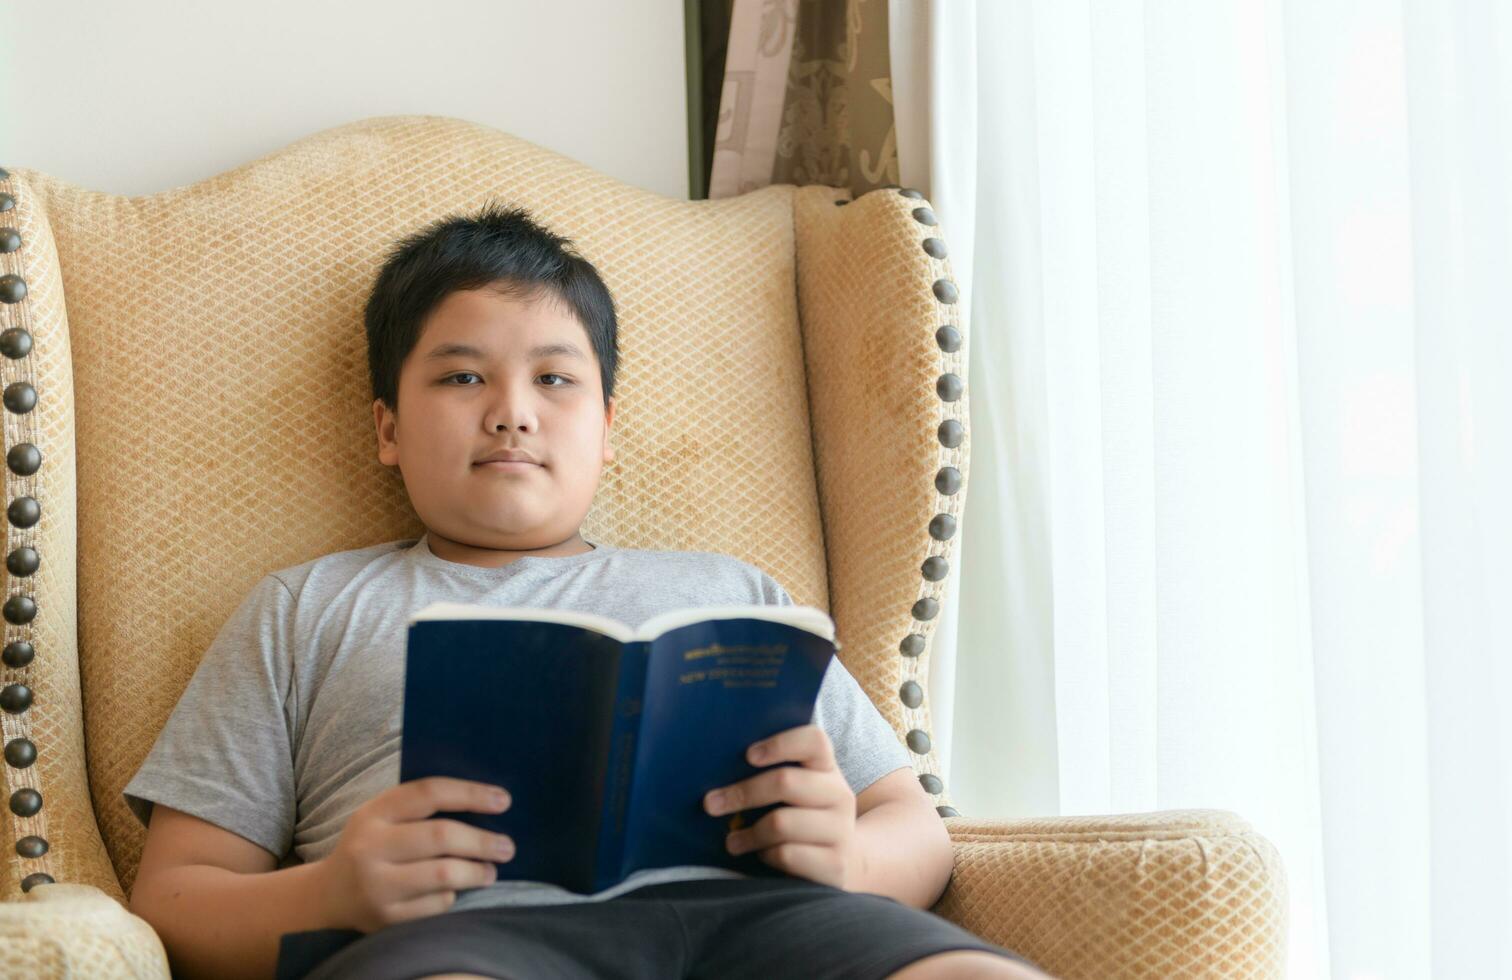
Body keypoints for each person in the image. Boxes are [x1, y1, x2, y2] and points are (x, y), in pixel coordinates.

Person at [123, 202, 1052, 980]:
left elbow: (916, 828)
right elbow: (171, 897)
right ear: (388, 428)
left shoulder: (728, 590)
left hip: (769, 924)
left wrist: (847, 854)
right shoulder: (305, 609)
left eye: (555, 379)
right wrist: (331, 895)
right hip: (464, 940)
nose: (512, 410)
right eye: (460, 376)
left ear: (606, 428)